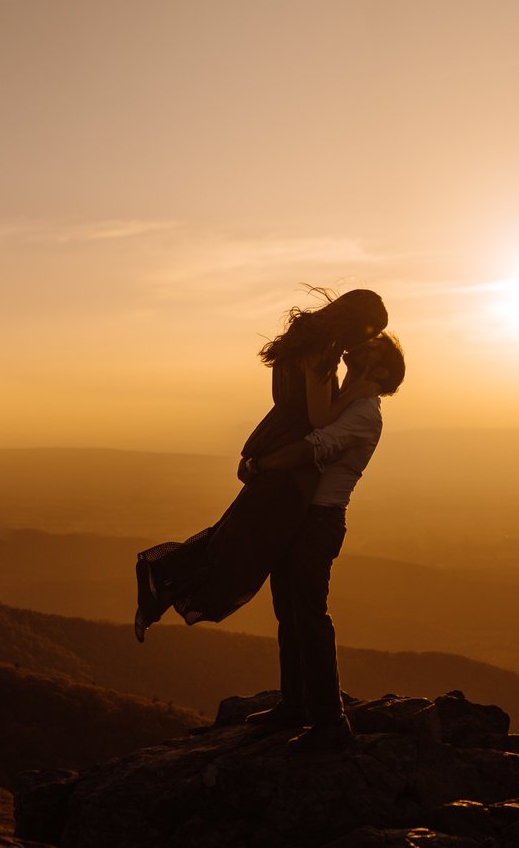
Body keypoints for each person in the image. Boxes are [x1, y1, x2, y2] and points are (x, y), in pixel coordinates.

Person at [135, 289, 386, 635]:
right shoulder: (322, 352)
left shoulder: (300, 337)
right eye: (368, 333)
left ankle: (163, 580)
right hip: (291, 453)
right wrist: (355, 394)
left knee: (241, 529)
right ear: (356, 324)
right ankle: (162, 576)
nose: (361, 344)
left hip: (274, 434)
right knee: (248, 543)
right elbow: (319, 417)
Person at [238, 332, 403, 749]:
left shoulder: (364, 412)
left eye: (372, 347)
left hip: (320, 521)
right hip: (298, 517)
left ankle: (330, 722)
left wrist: (260, 464)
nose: (360, 344)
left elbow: (314, 448)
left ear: (380, 371)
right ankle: (294, 704)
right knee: (288, 612)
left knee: (309, 614)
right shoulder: (340, 404)